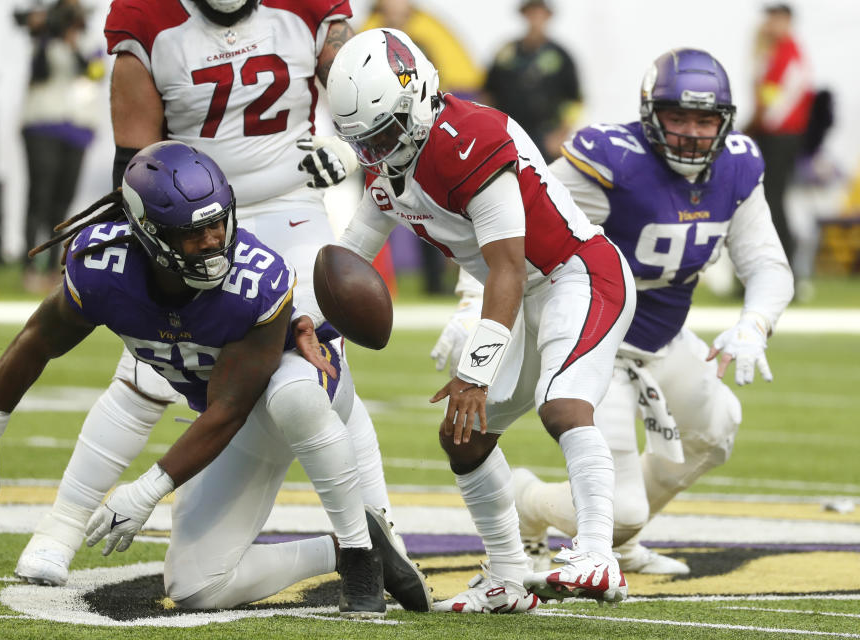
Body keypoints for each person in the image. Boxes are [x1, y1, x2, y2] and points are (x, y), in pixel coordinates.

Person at [12, 0, 397, 589]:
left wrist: (348, 148)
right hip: (187, 219)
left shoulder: (307, 9)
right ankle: (61, 530)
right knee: (143, 372)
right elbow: (132, 158)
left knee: (318, 366)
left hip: (290, 210)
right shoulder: (147, 16)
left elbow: (361, 84)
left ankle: (375, 538)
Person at [0, 141, 430, 615]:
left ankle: (359, 554)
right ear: (147, 232)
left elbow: (228, 409)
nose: (212, 242)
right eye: (192, 233)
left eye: (218, 223)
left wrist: (146, 490)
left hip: (298, 387)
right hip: (237, 427)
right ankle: (345, 549)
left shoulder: (253, 280)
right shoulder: (103, 266)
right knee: (196, 587)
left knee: (292, 397)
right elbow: (38, 340)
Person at [327, 28, 636, 610]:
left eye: (385, 133)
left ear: (416, 97)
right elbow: (346, 261)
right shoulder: (390, 167)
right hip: (522, 290)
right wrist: (305, 324)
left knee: (564, 404)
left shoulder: (467, 138)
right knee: (461, 437)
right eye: (362, 141)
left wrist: (475, 370)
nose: (376, 151)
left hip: (577, 273)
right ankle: (507, 574)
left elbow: (508, 268)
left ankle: (598, 552)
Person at [500, 49, 793, 574]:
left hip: (663, 333)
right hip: (598, 341)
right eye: (677, 117)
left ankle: (621, 542)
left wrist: (754, 324)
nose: (690, 133)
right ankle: (525, 501)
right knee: (621, 510)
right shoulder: (611, 160)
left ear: (723, 123)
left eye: (705, 120)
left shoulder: (738, 166)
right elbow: (509, 225)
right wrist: (473, 309)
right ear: (650, 115)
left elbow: (768, 264)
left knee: (717, 426)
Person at [361, 0, 485, 295]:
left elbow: (433, 87)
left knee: (429, 207)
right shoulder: (366, 37)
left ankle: (436, 280)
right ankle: (373, 281)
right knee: (374, 205)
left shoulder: (422, 42)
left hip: (416, 139)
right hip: (376, 138)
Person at [17, 0, 104, 292]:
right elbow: (38, 72)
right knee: (39, 195)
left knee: (63, 201)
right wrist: (47, 34)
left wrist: (72, 43)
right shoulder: (43, 40)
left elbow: (94, 74)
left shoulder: (89, 43)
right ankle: (29, 265)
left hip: (76, 128)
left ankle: (54, 265)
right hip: (42, 123)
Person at [747, 3, 813, 271]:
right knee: (768, 202)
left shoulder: (786, 54)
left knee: (771, 203)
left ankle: (782, 271)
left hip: (780, 137)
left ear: (786, 20)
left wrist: (749, 126)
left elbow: (768, 105)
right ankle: (770, 271)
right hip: (777, 136)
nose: (768, 24)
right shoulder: (777, 52)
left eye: (774, 18)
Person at [482, 0, 581, 161]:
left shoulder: (561, 56)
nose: (536, 18)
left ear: (548, 16)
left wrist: (561, 135)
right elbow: (487, 93)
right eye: (531, 12)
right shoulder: (506, 53)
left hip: (545, 139)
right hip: (507, 137)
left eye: (540, 13)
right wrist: (489, 129)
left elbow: (576, 100)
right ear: (524, 15)